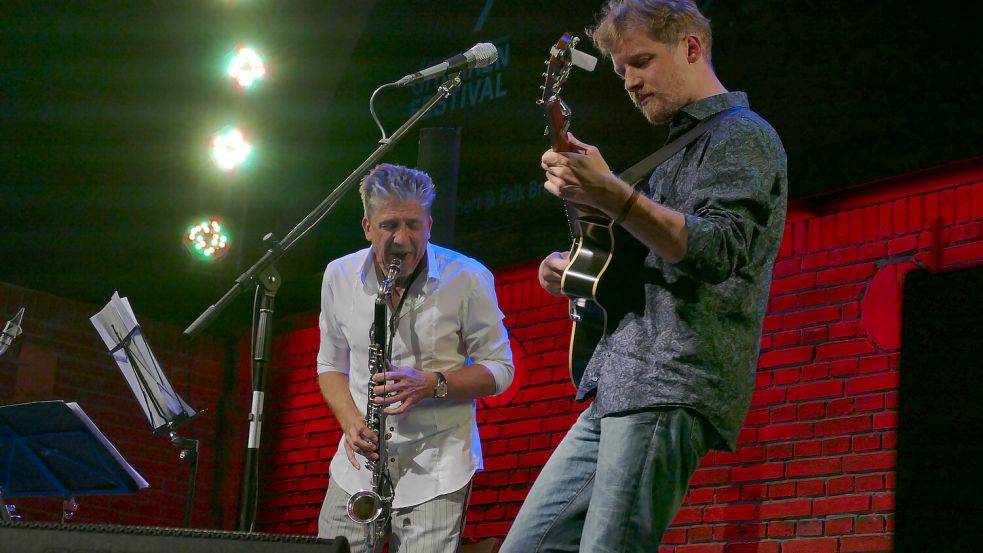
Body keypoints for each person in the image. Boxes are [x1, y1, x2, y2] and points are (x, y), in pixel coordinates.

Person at [501, 1, 788, 551]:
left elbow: (719, 248)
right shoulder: (677, 149)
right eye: (620, 71)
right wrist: (580, 274)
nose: (629, 82)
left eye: (641, 61)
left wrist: (612, 191)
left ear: (691, 47)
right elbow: (647, 265)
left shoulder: (742, 135)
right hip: (616, 379)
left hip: (668, 378)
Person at [316, 163, 514, 553]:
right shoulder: (338, 275)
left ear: (429, 225)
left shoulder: (468, 277)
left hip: (436, 467)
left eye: (413, 225)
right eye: (390, 225)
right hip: (356, 471)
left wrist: (433, 384)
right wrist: (350, 421)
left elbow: (500, 370)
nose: (403, 240)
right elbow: (330, 366)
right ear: (367, 226)